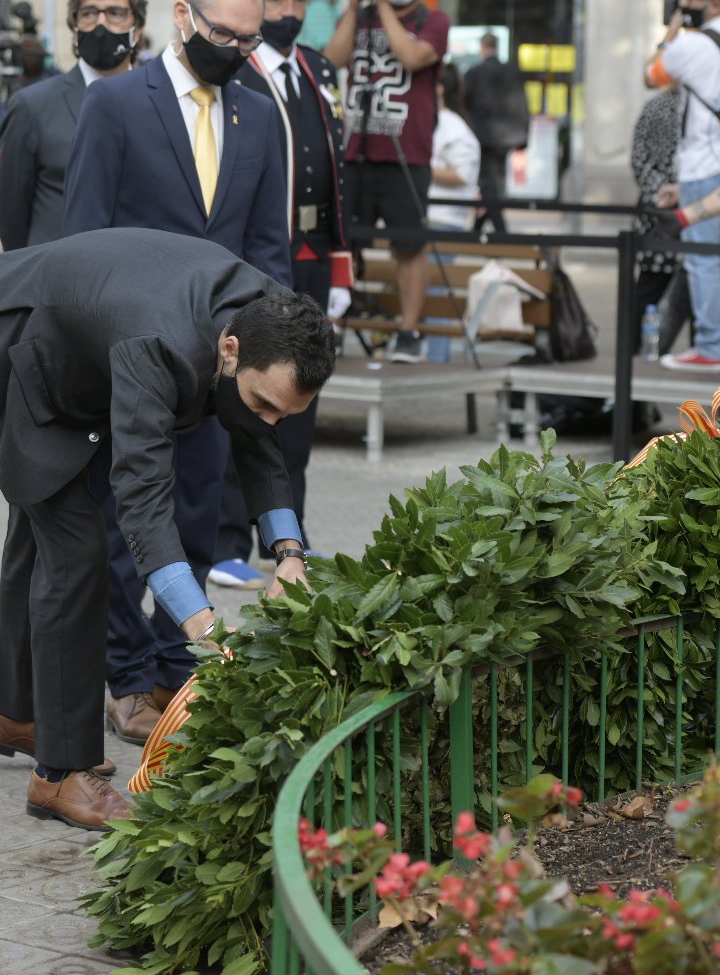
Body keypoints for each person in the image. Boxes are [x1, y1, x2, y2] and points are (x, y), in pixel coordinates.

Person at [0, 229, 334, 830]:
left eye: (284, 412)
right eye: (263, 403)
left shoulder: (272, 319)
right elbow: (143, 497)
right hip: (6, 341)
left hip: (80, 351)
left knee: (42, 521)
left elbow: (258, 434)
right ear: (228, 350)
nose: (269, 421)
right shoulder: (161, 343)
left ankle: (14, 713)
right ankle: (60, 774)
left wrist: (289, 552)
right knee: (73, 546)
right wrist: (200, 623)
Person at [60, 0, 290, 749]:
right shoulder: (118, 105)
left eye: (249, 40)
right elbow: (83, 244)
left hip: (217, 370)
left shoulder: (258, 118)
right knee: (130, 520)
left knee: (194, 515)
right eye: (223, 35)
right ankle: (125, 680)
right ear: (183, 16)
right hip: (129, 363)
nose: (236, 50)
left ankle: (173, 671)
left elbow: (267, 255)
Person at [211, 0, 354, 588]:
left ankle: (286, 530)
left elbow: (336, 172)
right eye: (277, 2)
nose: (290, 10)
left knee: (296, 401)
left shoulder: (318, 68)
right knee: (244, 397)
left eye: (299, 1)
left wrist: (340, 266)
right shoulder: (237, 71)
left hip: (313, 251)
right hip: (259, 258)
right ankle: (226, 537)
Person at [325, 0, 450, 363]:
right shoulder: (357, 19)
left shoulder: (434, 21)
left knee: (409, 245)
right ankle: (331, 325)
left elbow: (411, 57)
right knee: (344, 243)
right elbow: (332, 60)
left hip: (406, 157)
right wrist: (352, 10)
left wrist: (381, 10)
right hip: (356, 151)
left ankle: (408, 331)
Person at [645, 0, 720, 374]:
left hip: (702, 163)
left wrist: (671, 31)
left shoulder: (692, 44)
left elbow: (651, 76)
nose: (683, 3)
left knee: (701, 257)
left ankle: (710, 345)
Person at [0, 0, 147, 252]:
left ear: (137, 28)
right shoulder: (32, 106)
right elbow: (11, 213)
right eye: (88, 13)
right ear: (75, 28)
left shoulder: (161, 103)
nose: (100, 23)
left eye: (115, 13)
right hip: (57, 280)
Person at [422, 62, 479, 363]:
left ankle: (437, 356)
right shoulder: (442, 122)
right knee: (432, 289)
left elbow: (462, 174)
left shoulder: (451, 125)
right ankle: (433, 354)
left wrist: (422, 168)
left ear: (439, 88)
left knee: (436, 291)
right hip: (437, 219)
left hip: (445, 220)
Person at [630, 87, 687, 360]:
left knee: (698, 292)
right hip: (661, 218)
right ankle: (634, 353)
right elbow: (639, 158)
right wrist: (663, 195)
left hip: (698, 211)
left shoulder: (710, 103)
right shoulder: (658, 106)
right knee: (649, 291)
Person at [461, 31, 528, 237]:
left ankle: (501, 232)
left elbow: (464, 104)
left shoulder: (474, 73)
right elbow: (523, 104)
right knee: (493, 183)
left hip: (483, 137)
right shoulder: (512, 71)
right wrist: (523, 139)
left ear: (482, 48)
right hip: (507, 137)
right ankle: (478, 230)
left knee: (489, 184)